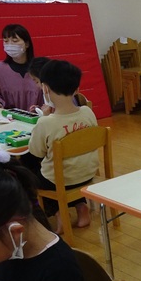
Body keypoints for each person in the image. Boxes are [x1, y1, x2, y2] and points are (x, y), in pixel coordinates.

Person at [20, 59, 98, 234]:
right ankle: (81, 206)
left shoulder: (46, 122)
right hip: (87, 173)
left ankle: (58, 213)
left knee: (30, 168)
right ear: (77, 89)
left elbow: (36, 152)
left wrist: (44, 117)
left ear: (45, 88)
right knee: (63, 165)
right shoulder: (87, 112)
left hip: (60, 180)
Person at [0, 24, 42, 111]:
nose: (10, 45)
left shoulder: (41, 68)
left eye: (15, 41)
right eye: (6, 41)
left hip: (39, 116)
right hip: (9, 117)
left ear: (27, 44)